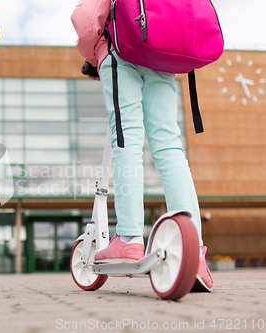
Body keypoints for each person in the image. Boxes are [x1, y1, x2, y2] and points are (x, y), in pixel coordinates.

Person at [71, 0, 213, 291]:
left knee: (127, 141)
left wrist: (93, 55)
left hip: (121, 49)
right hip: (161, 52)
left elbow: (88, 18)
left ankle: (128, 238)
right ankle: (193, 250)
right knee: (169, 146)